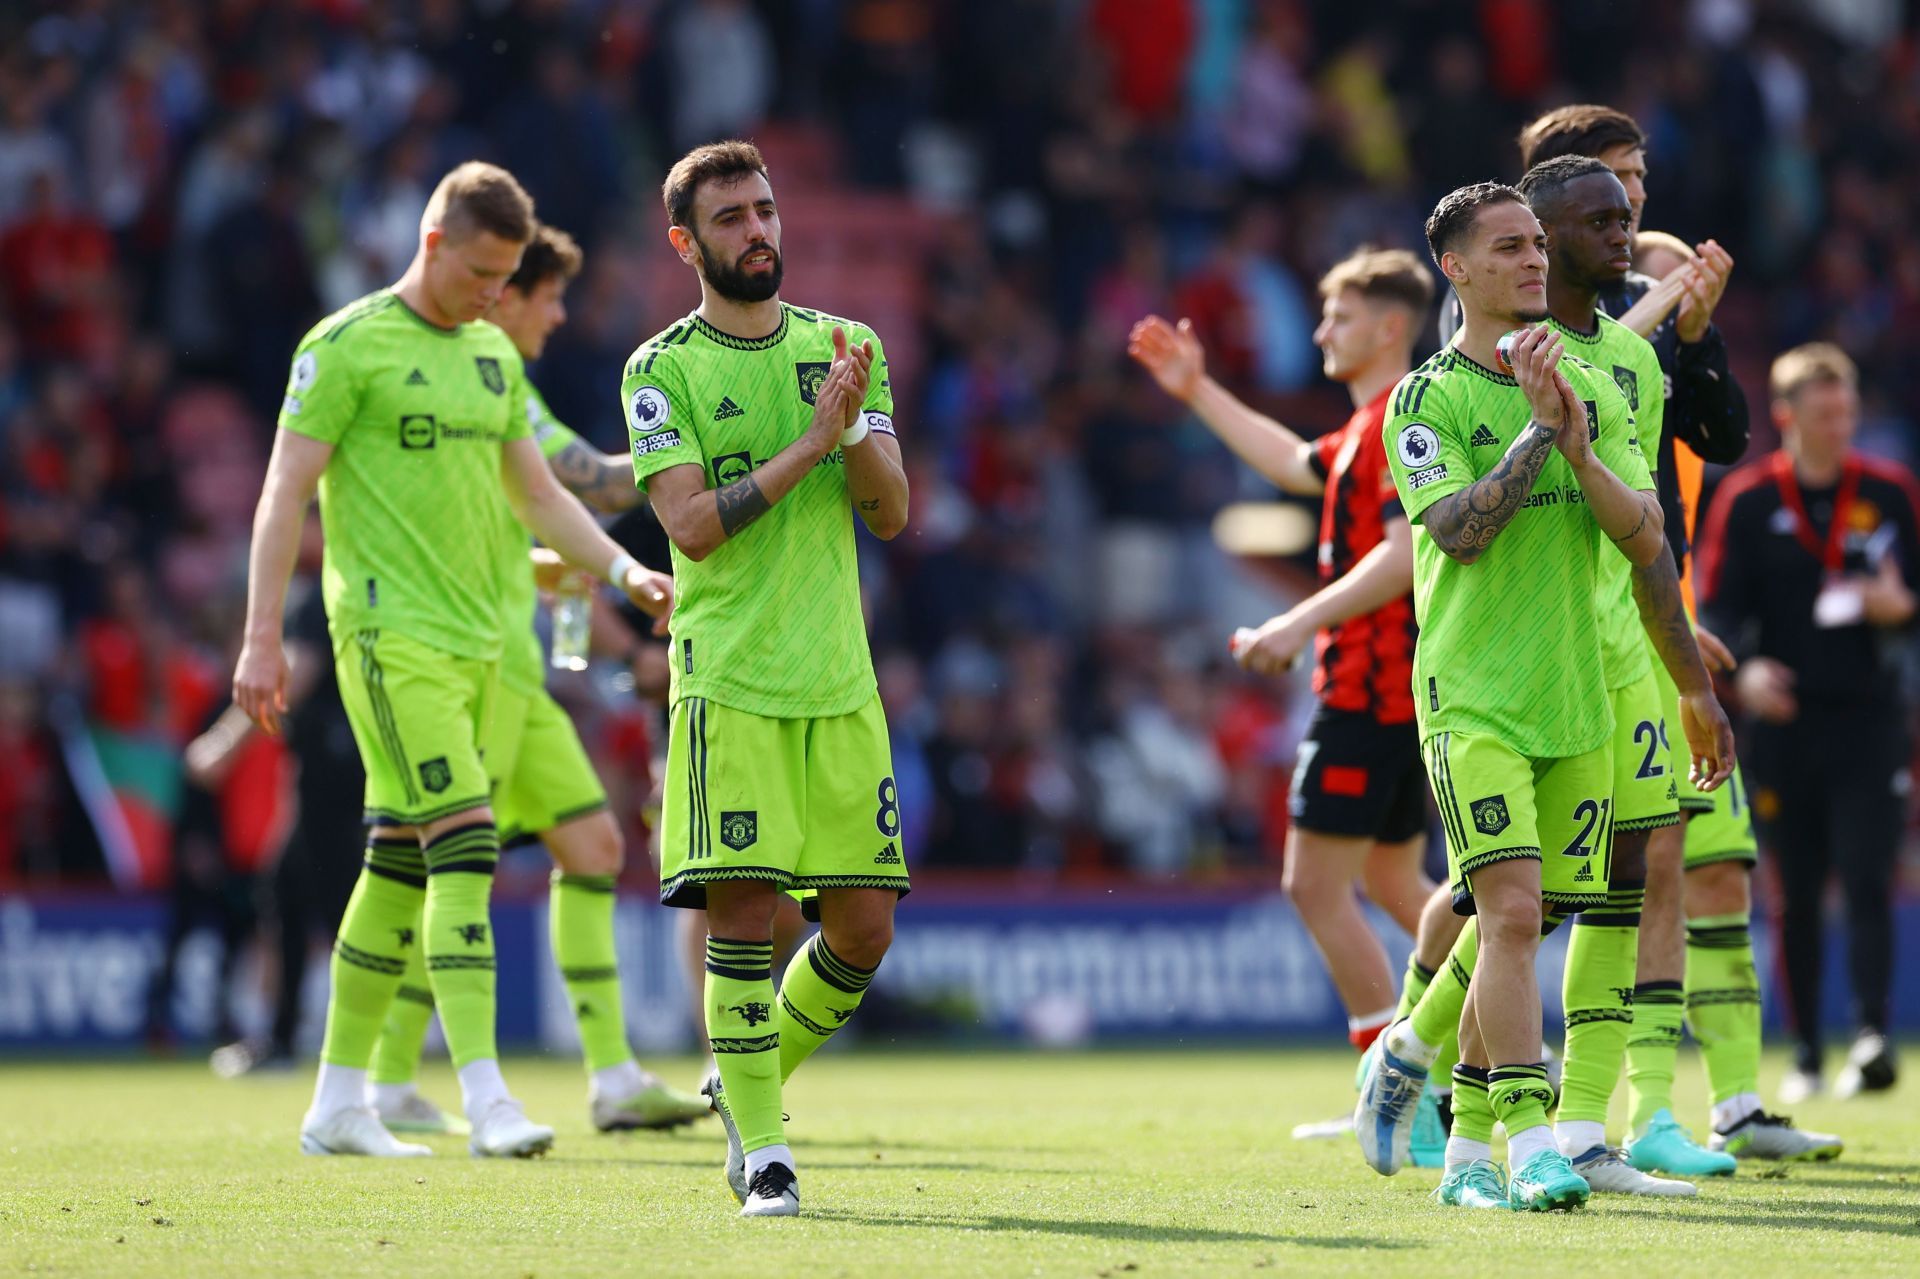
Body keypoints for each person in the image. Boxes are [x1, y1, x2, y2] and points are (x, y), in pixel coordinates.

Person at [233, 162, 674, 1159]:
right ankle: (488, 1097)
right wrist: (261, 638)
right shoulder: (346, 348)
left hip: (487, 643)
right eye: (480, 271)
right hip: (392, 640)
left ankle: (339, 1102)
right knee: (465, 843)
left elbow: (542, 496)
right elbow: (282, 493)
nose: (493, 293)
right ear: (432, 243)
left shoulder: (489, 357)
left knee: (395, 861)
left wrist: (625, 574)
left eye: (506, 274)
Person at [1518, 104, 1842, 1161]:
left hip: (1657, 617)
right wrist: (1663, 301)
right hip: (1557, 632)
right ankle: (1437, 1069)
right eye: (1613, 182)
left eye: (1641, 179)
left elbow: (1720, 435)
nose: (1634, 203)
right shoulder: (1503, 315)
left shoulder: (1641, 328)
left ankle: (1677, 1109)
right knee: (1511, 890)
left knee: (1691, 863)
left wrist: (1690, 327)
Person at [1357, 181, 1674, 1212]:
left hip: (1577, 694)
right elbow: (1456, 529)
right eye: (1508, 246)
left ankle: (1452, 1140)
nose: (1534, 260)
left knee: (1524, 923)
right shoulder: (1427, 397)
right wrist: (1537, 436)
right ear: (1455, 268)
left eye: (1538, 243)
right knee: (1509, 913)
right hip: (1475, 697)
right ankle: (1534, 1141)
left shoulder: (1597, 380)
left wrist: (1576, 443)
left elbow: (1642, 534)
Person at [362, 222, 709, 1136]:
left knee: (594, 847)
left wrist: (569, 589)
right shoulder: (471, 375)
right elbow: (588, 480)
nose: (555, 315)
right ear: (504, 293)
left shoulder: (497, 383)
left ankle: (613, 1078)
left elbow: (548, 510)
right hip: (459, 662)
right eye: (544, 296)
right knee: (438, 861)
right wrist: (699, 457)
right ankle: (395, 1074)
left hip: (515, 666)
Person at [622, 141, 910, 1217]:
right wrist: (810, 442)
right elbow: (692, 529)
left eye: (767, 211)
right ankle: (771, 1154)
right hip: (731, 677)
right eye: (733, 218)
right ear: (686, 242)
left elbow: (892, 512)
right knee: (744, 917)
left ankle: (746, 1088)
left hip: (840, 677)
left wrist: (857, 433)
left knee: (864, 926)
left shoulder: (851, 346)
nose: (759, 232)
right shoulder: (662, 369)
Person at [1127, 248, 1445, 1131]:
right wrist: (1198, 389)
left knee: (1313, 885)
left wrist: (1298, 622)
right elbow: (1296, 459)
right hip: (1389, 694)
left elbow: (1407, 550)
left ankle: (1404, 1092)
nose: (1319, 332)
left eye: (1337, 317)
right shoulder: (1362, 431)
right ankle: (1470, 1059)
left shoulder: (1395, 425)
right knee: (1391, 879)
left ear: (1387, 327)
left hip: (1371, 691)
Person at [1696, 343, 1919, 1112]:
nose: (1841, 425)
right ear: (1787, 415)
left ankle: (1871, 1037)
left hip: (1870, 720)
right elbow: (1717, 606)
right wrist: (1745, 670)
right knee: (1791, 892)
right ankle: (1807, 1053)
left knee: (1866, 876)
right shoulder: (1751, 501)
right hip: (1784, 725)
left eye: (1848, 411)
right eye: (1825, 413)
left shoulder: (1890, 493)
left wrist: (1904, 607)